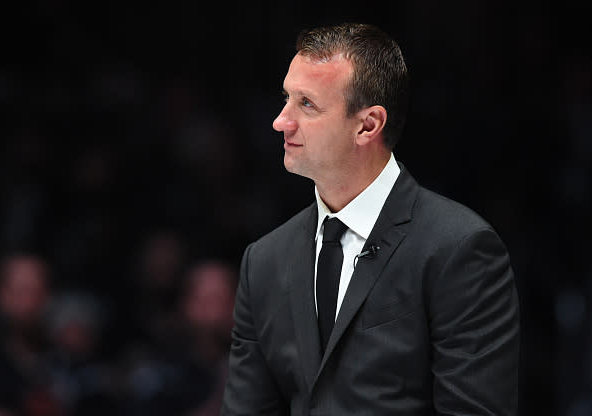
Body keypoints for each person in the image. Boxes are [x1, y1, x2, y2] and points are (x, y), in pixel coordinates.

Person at [222, 22, 520, 415]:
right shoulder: (263, 261)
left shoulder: (459, 248)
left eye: (306, 104)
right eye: (286, 98)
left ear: (368, 125)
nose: (281, 120)